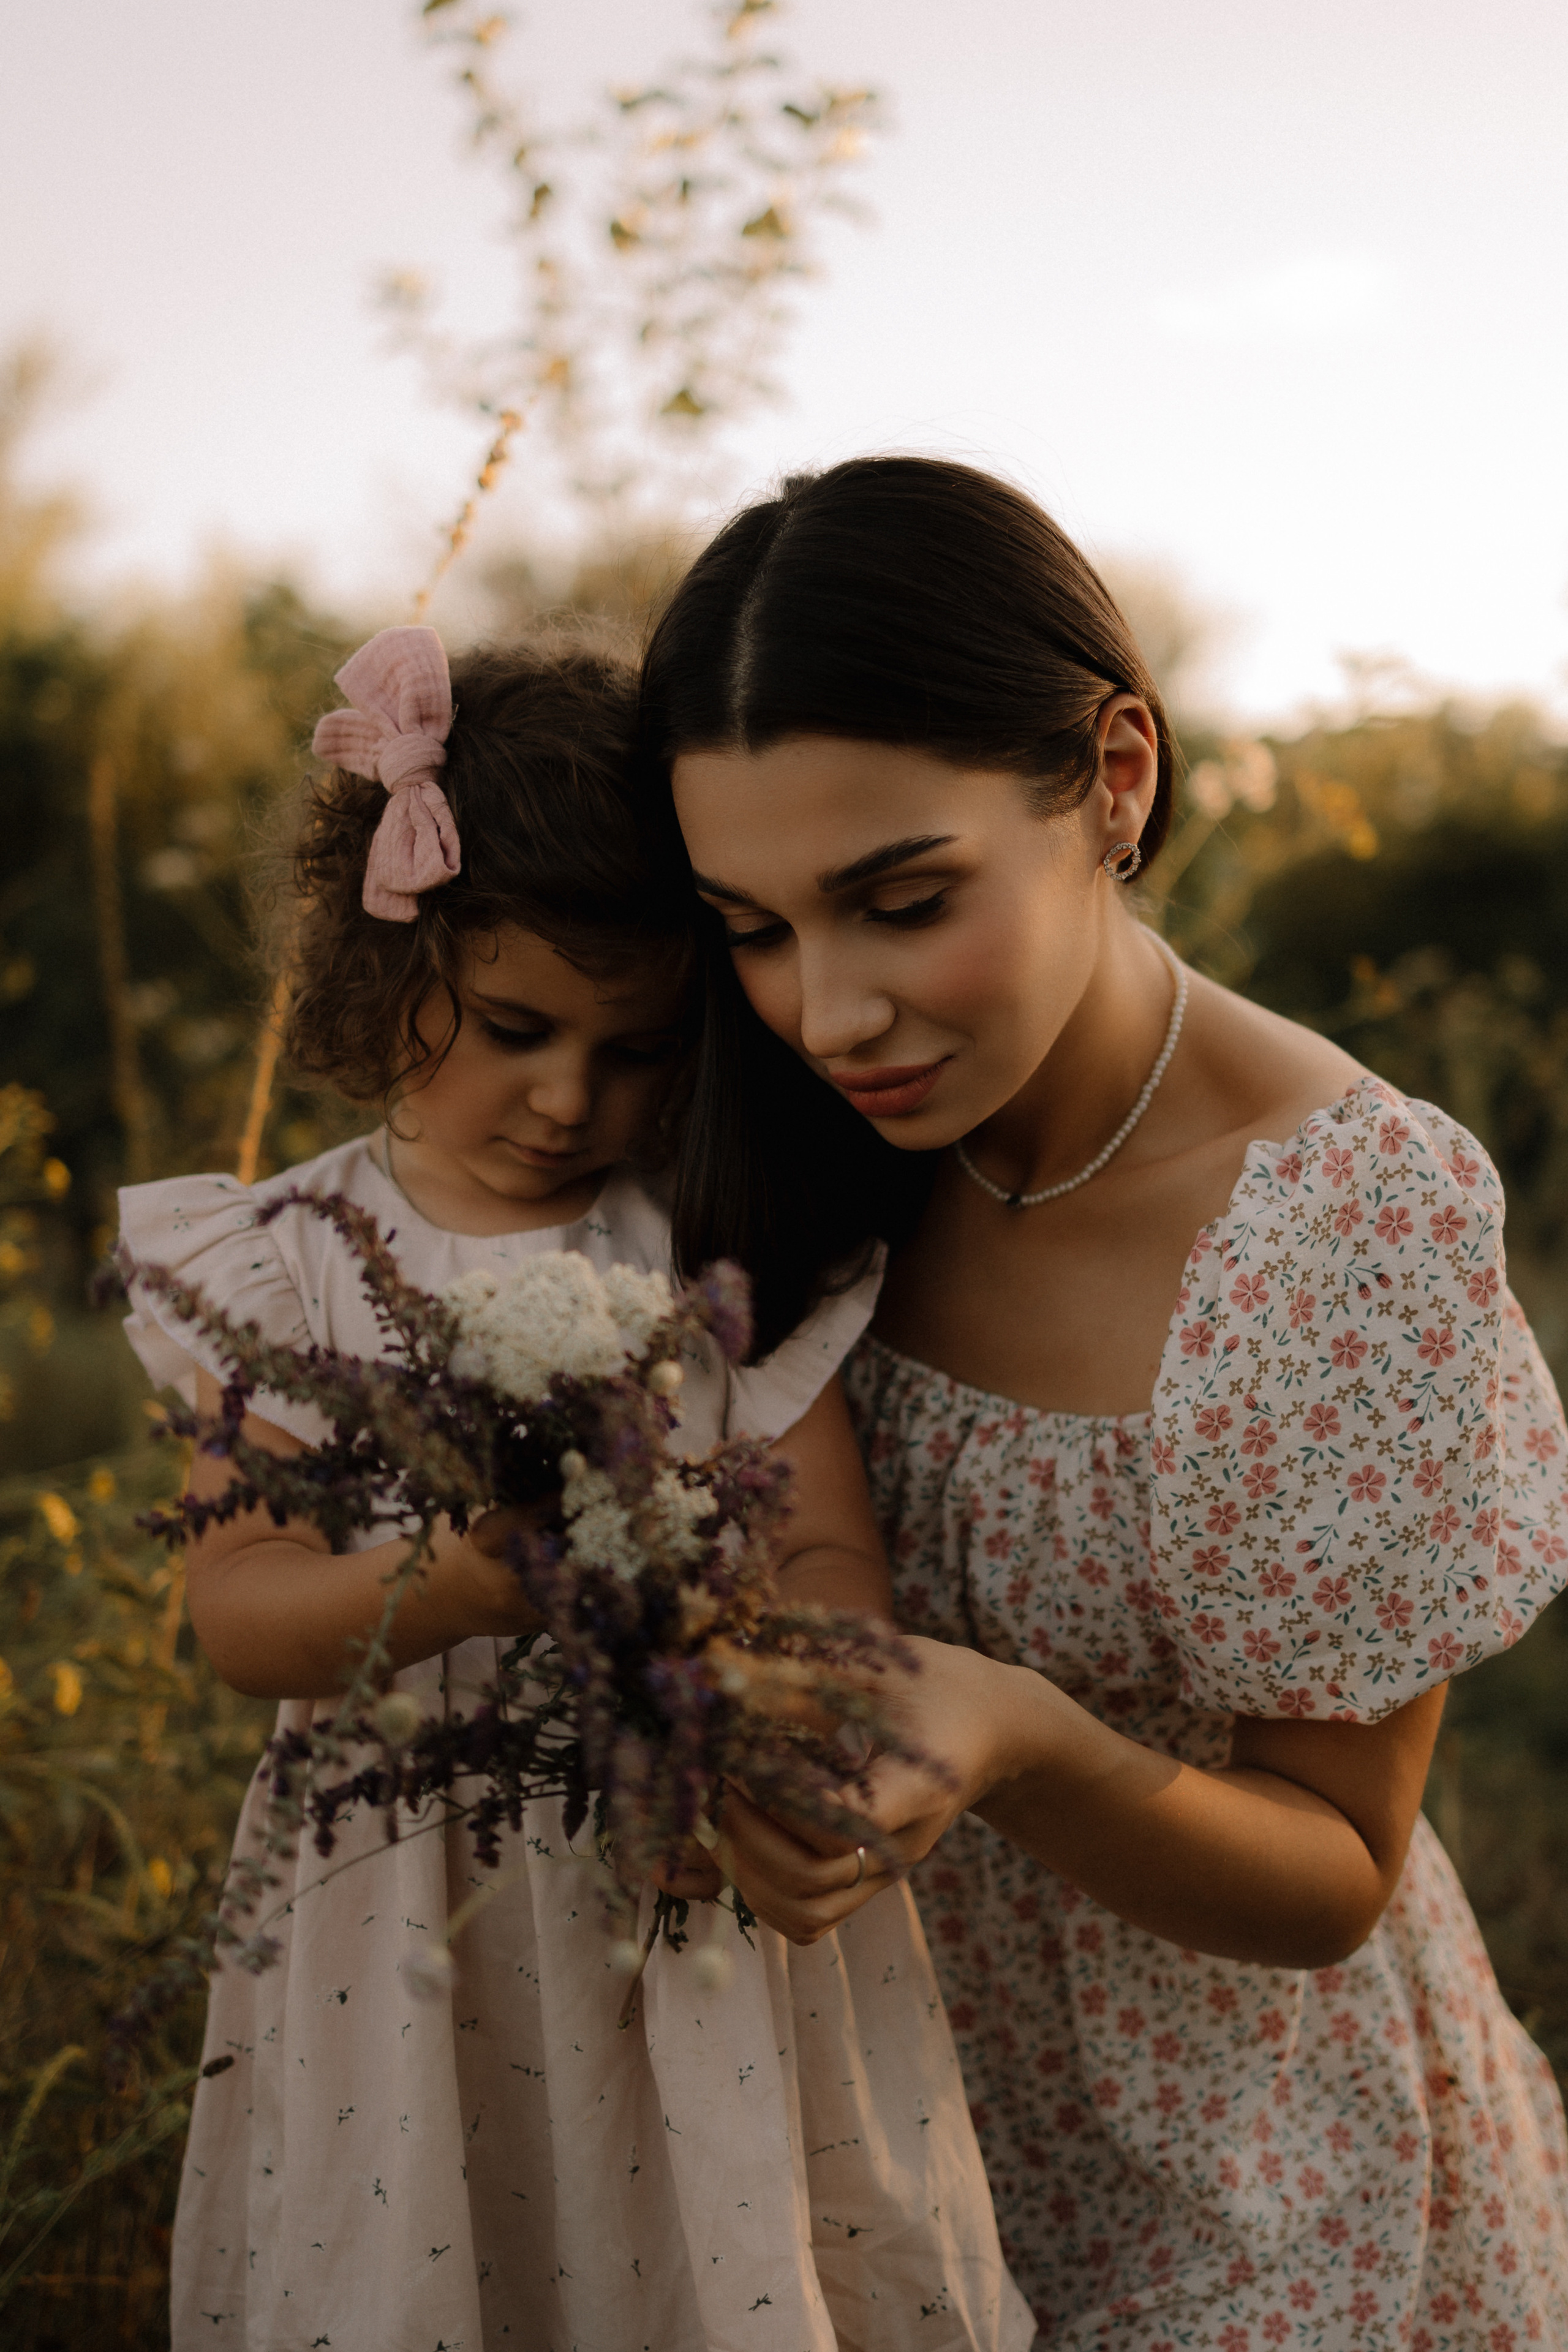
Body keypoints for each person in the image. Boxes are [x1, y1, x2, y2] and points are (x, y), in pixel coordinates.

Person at [641, 456, 1568, 2348]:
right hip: (863, 2146)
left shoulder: (1346, 1226)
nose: (830, 1013)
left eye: (903, 900)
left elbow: (1334, 1875)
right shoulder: (787, 1136)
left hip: (1262, 2189)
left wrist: (1024, 1738)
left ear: (1117, 778)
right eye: (752, 925)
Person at [119, 624, 1033, 2352]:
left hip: (689, 1882)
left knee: (721, 2244)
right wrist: (464, 1581)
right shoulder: (284, 1270)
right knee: (434, 2256)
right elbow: (239, 1610)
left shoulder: (703, 1254)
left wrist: (786, 1716)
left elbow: (828, 1539)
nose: (569, 1099)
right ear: (390, 977)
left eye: (635, 1051)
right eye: (520, 1029)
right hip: (403, 1922)